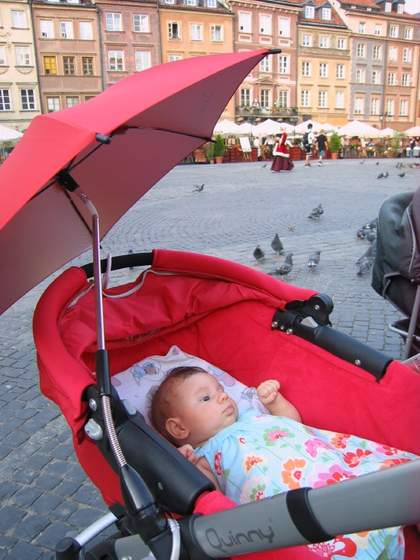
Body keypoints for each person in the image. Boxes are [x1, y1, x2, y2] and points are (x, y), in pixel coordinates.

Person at [151, 366, 418, 560]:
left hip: (330, 470)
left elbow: (291, 423)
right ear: (179, 428)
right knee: (327, 519)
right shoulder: (205, 455)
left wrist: (275, 402)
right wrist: (188, 467)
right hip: (294, 497)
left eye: (220, 389)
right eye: (206, 398)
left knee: (396, 483)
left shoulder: (252, 415)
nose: (223, 396)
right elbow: (212, 499)